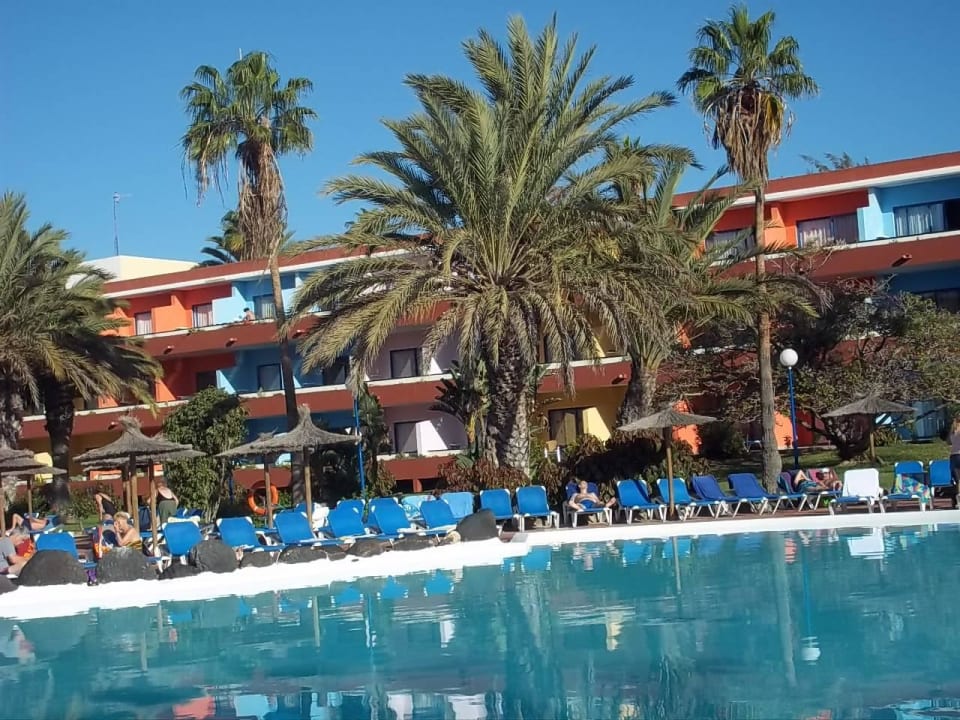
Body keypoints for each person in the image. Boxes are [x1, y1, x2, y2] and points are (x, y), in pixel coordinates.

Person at [949, 417, 960, 508]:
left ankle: (957, 500)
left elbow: (948, 442)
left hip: (953, 456)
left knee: (957, 480)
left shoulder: (953, 430)